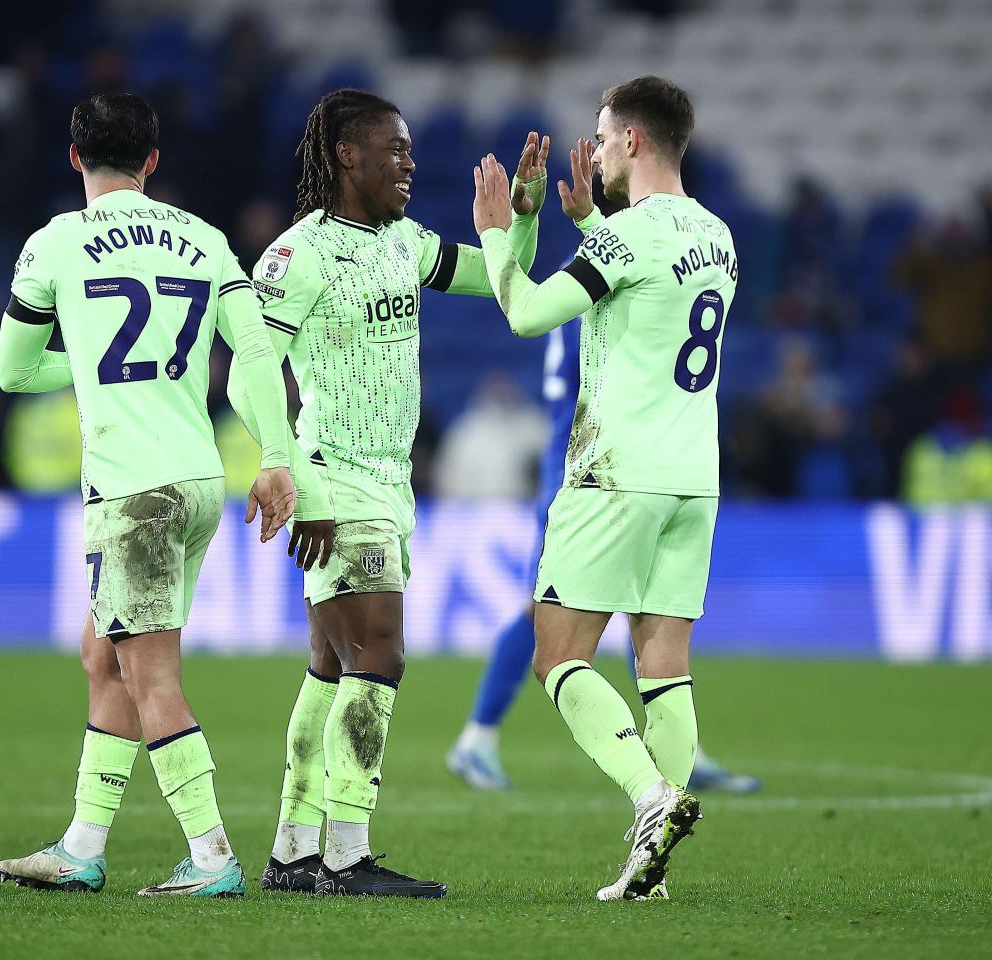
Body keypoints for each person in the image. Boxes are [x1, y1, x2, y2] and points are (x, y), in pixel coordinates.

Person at [0, 92, 298, 898]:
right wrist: (276, 455)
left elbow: (12, 370)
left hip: (131, 492)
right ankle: (82, 847)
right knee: (103, 655)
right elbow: (257, 349)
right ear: (153, 161)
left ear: (73, 156)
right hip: (198, 478)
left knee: (150, 676)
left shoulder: (55, 244)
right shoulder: (203, 238)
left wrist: (90, 366)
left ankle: (213, 859)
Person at [249, 89, 548, 898]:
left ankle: (292, 850)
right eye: (396, 150)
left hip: (388, 480)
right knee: (380, 652)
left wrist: (517, 217)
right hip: (333, 477)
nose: (410, 166)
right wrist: (293, 475)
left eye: (412, 152)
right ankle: (346, 855)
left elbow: (497, 281)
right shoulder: (297, 253)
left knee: (328, 666)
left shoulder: (405, 242)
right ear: (347, 156)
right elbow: (249, 368)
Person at [472, 76, 735, 901]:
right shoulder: (720, 236)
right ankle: (652, 868)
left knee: (559, 654)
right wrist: (588, 219)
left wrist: (501, 228)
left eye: (603, 134)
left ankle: (652, 797)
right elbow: (646, 302)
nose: (596, 148)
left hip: (615, 473)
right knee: (665, 663)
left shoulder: (632, 237)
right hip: (694, 479)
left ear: (634, 142)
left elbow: (525, 311)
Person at [447, 323, 762, 796]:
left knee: (629, 607)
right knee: (552, 614)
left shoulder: (581, 281)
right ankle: (478, 735)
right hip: (589, 469)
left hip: (597, 463)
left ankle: (676, 751)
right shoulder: (603, 279)